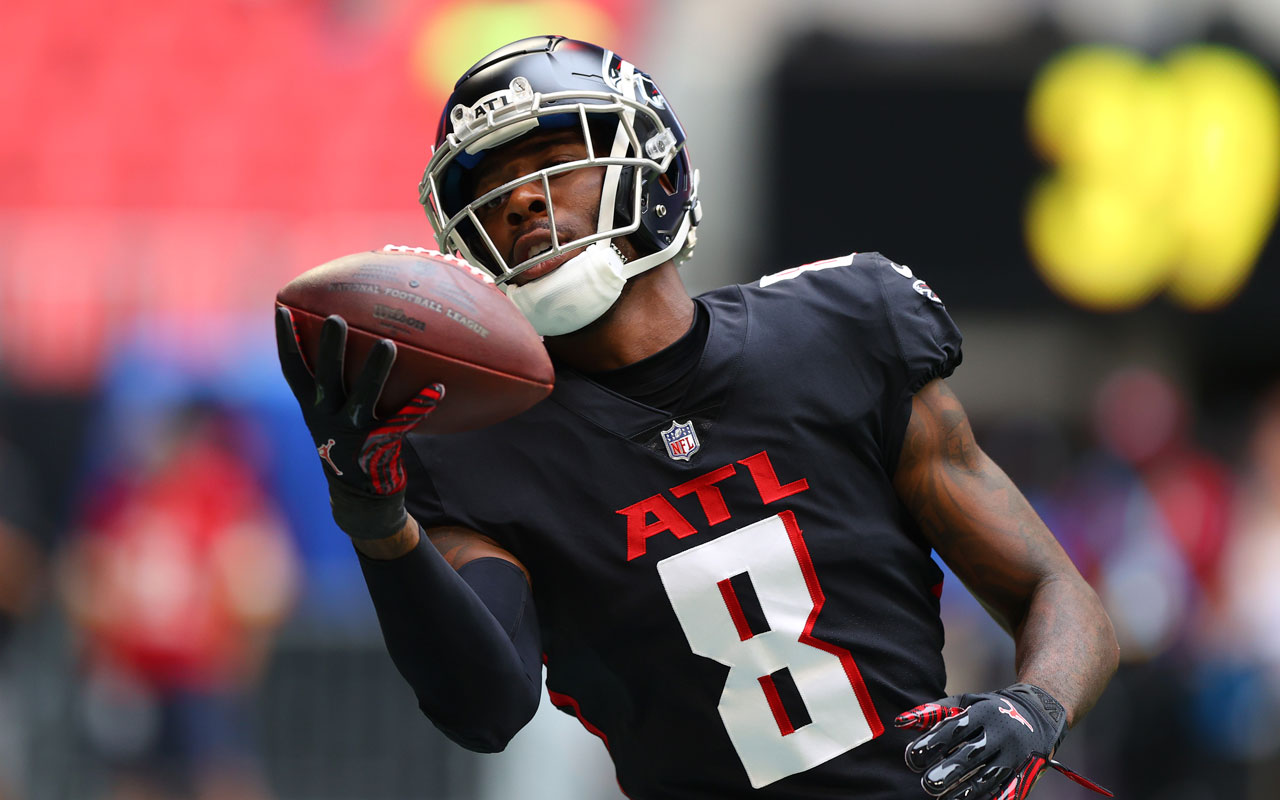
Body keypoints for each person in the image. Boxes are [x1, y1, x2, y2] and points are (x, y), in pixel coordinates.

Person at [275, 35, 1119, 799]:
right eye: (490, 192)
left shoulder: (842, 330)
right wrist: (378, 523)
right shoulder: (481, 450)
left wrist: (1033, 706)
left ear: (653, 169)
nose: (521, 205)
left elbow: (1055, 591)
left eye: (554, 163)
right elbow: (484, 710)